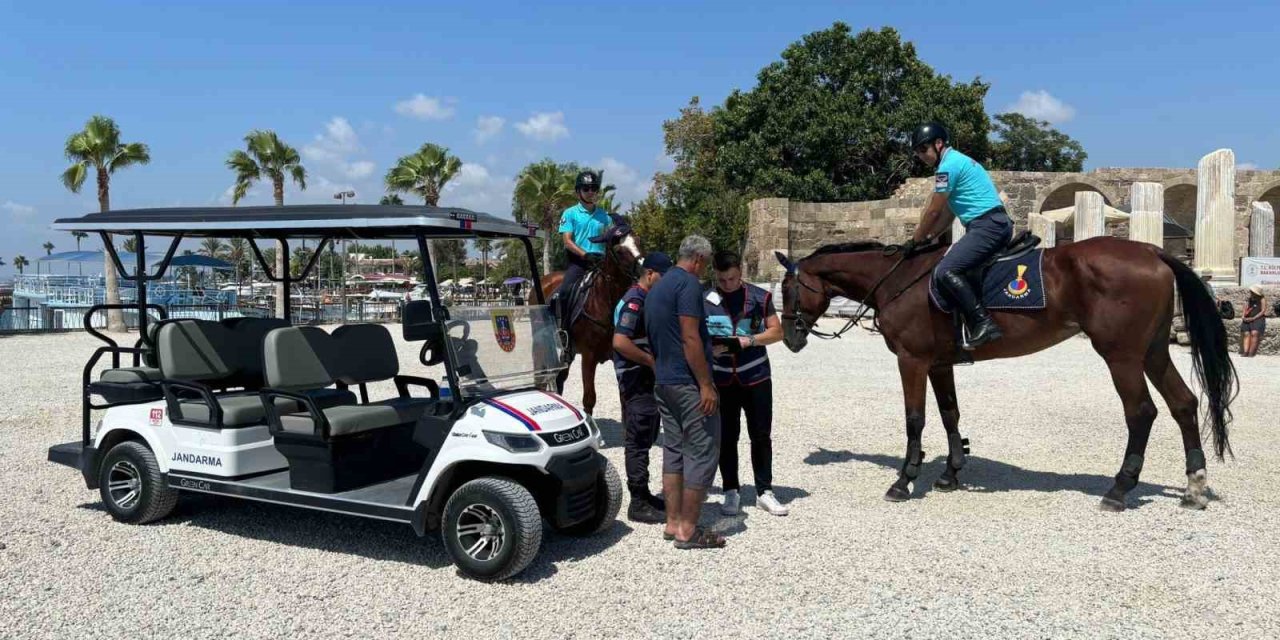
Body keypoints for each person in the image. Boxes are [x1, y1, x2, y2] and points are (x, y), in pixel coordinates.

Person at [644, 235, 724, 550]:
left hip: (664, 380)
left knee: (673, 452)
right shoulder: (689, 285)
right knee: (703, 451)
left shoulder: (657, 287)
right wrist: (706, 384)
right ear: (699, 259)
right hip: (687, 383)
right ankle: (688, 530)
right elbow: (690, 338)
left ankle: (672, 522)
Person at [908, 121, 1012, 349]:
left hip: (987, 226)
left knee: (946, 270)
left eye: (923, 149)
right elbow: (947, 215)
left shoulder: (947, 167)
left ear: (938, 143)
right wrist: (929, 237)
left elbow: (934, 210)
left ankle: (983, 323)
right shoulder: (958, 161)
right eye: (917, 152)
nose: (921, 155)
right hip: (992, 223)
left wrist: (915, 239)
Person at [704, 251, 788, 516]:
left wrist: (750, 341)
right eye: (722, 280)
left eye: (731, 279)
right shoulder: (704, 299)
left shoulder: (759, 297)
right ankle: (731, 491)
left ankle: (765, 491)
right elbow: (693, 336)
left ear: (740, 272)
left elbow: (777, 332)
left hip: (756, 378)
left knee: (761, 435)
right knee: (727, 438)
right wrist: (710, 350)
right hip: (722, 380)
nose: (727, 284)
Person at [611, 251, 674, 523]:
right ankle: (637, 502)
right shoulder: (635, 301)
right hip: (636, 378)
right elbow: (620, 342)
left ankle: (645, 494)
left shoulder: (647, 298)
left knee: (646, 433)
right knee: (637, 437)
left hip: (646, 378)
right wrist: (651, 361)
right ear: (650, 274)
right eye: (663, 276)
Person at [554, 170, 612, 330]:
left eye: (594, 188)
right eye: (586, 189)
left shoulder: (605, 216)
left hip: (601, 262)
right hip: (579, 262)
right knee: (565, 291)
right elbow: (567, 241)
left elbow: (610, 240)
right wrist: (585, 255)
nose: (591, 192)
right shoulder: (570, 213)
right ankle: (564, 331)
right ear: (578, 191)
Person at [1241, 284, 1267, 358]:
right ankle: (1245, 352)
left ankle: (1251, 352)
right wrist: (1243, 316)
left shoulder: (1262, 299)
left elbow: (1263, 311)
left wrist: (1254, 318)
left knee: (1254, 333)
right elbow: (1245, 307)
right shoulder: (1249, 298)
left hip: (1258, 318)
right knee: (1246, 333)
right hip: (1248, 317)